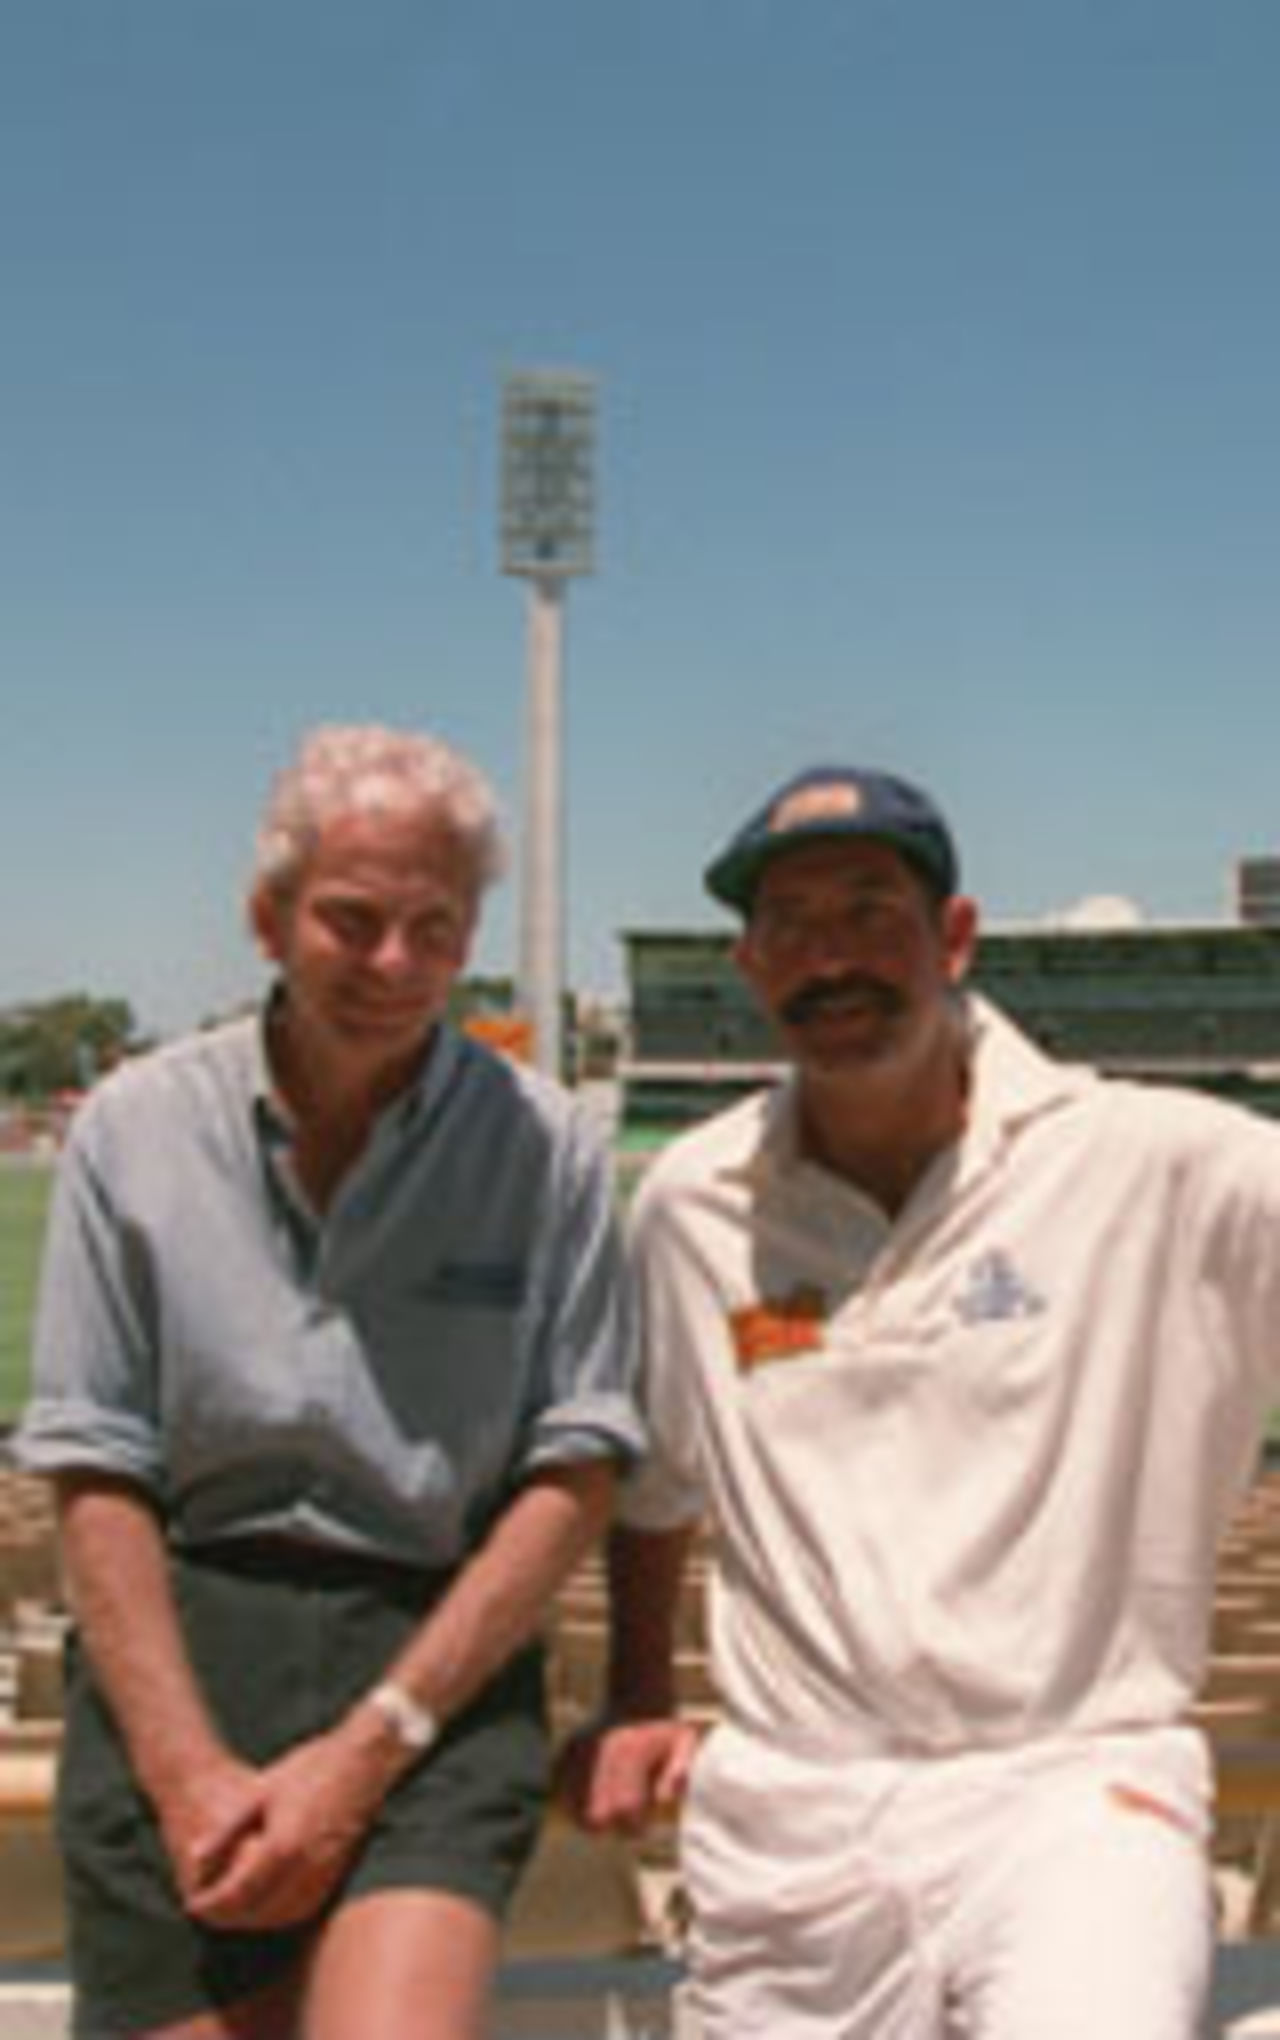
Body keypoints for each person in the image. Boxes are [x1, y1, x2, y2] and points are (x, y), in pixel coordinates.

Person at [567, 762, 1280, 2039]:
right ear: (748, 970)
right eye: (787, 925)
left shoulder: (1168, 1165)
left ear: (953, 937)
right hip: (790, 1810)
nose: (827, 957)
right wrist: (633, 1694)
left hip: (1070, 1785)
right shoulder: (688, 1201)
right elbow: (657, 1483)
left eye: (865, 911)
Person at [16, 723, 643, 2040]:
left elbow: (577, 1472)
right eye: (353, 920)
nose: (396, 965)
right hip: (183, 1650)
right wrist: (185, 1774)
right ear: (267, 918)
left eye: (436, 925)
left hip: (434, 1654)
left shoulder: (547, 1150)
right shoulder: (136, 1130)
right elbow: (95, 1469)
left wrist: (372, 1747)